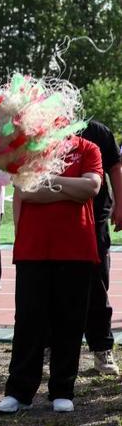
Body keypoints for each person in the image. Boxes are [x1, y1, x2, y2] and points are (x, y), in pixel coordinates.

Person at [0, 134, 102, 414]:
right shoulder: (27, 149)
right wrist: (69, 188)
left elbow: (91, 187)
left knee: (70, 320)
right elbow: (26, 190)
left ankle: (62, 389)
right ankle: (19, 392)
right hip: (33, 248)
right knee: (29, 321)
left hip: (76, 248)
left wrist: (48, 182)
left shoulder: (87, 148)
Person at [79, 120, 122, 375]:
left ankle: (102, 348)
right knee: (50, 286)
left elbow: (115, 167)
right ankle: (49, 345)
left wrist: (120, 205)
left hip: (93, 218)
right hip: (55, 218)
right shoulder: (41, 131)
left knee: (96, 283)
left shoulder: (96, 131)